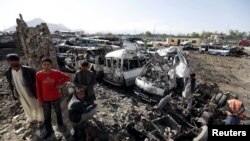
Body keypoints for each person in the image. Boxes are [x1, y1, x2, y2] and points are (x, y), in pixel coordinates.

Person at [5, 53, 43, 126]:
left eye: (15, 60)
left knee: (36, 105)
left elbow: (37, 81)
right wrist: (13, 94)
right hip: (19, 92)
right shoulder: (8, 72)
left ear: (19, 60)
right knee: (25, 106)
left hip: (31, 91)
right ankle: (31, 119)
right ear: (8, 62)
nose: (13, 62)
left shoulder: (29, 70)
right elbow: (11, 84)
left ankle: (41, 119)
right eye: (11, 61)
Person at [36, 57, 70, 139]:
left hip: (56, 96)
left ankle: (61, 125)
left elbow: (67, 77)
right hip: (45, 98)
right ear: (42, 65)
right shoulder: (39, 74)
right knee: (47, 115)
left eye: (48, 64)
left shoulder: (56, 73)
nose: (46, 66)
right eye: (44, 64)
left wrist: (60, 84)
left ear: (51, 65)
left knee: (58, 112)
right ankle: (49, 130)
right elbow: (38, 88)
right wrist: (40, 100)